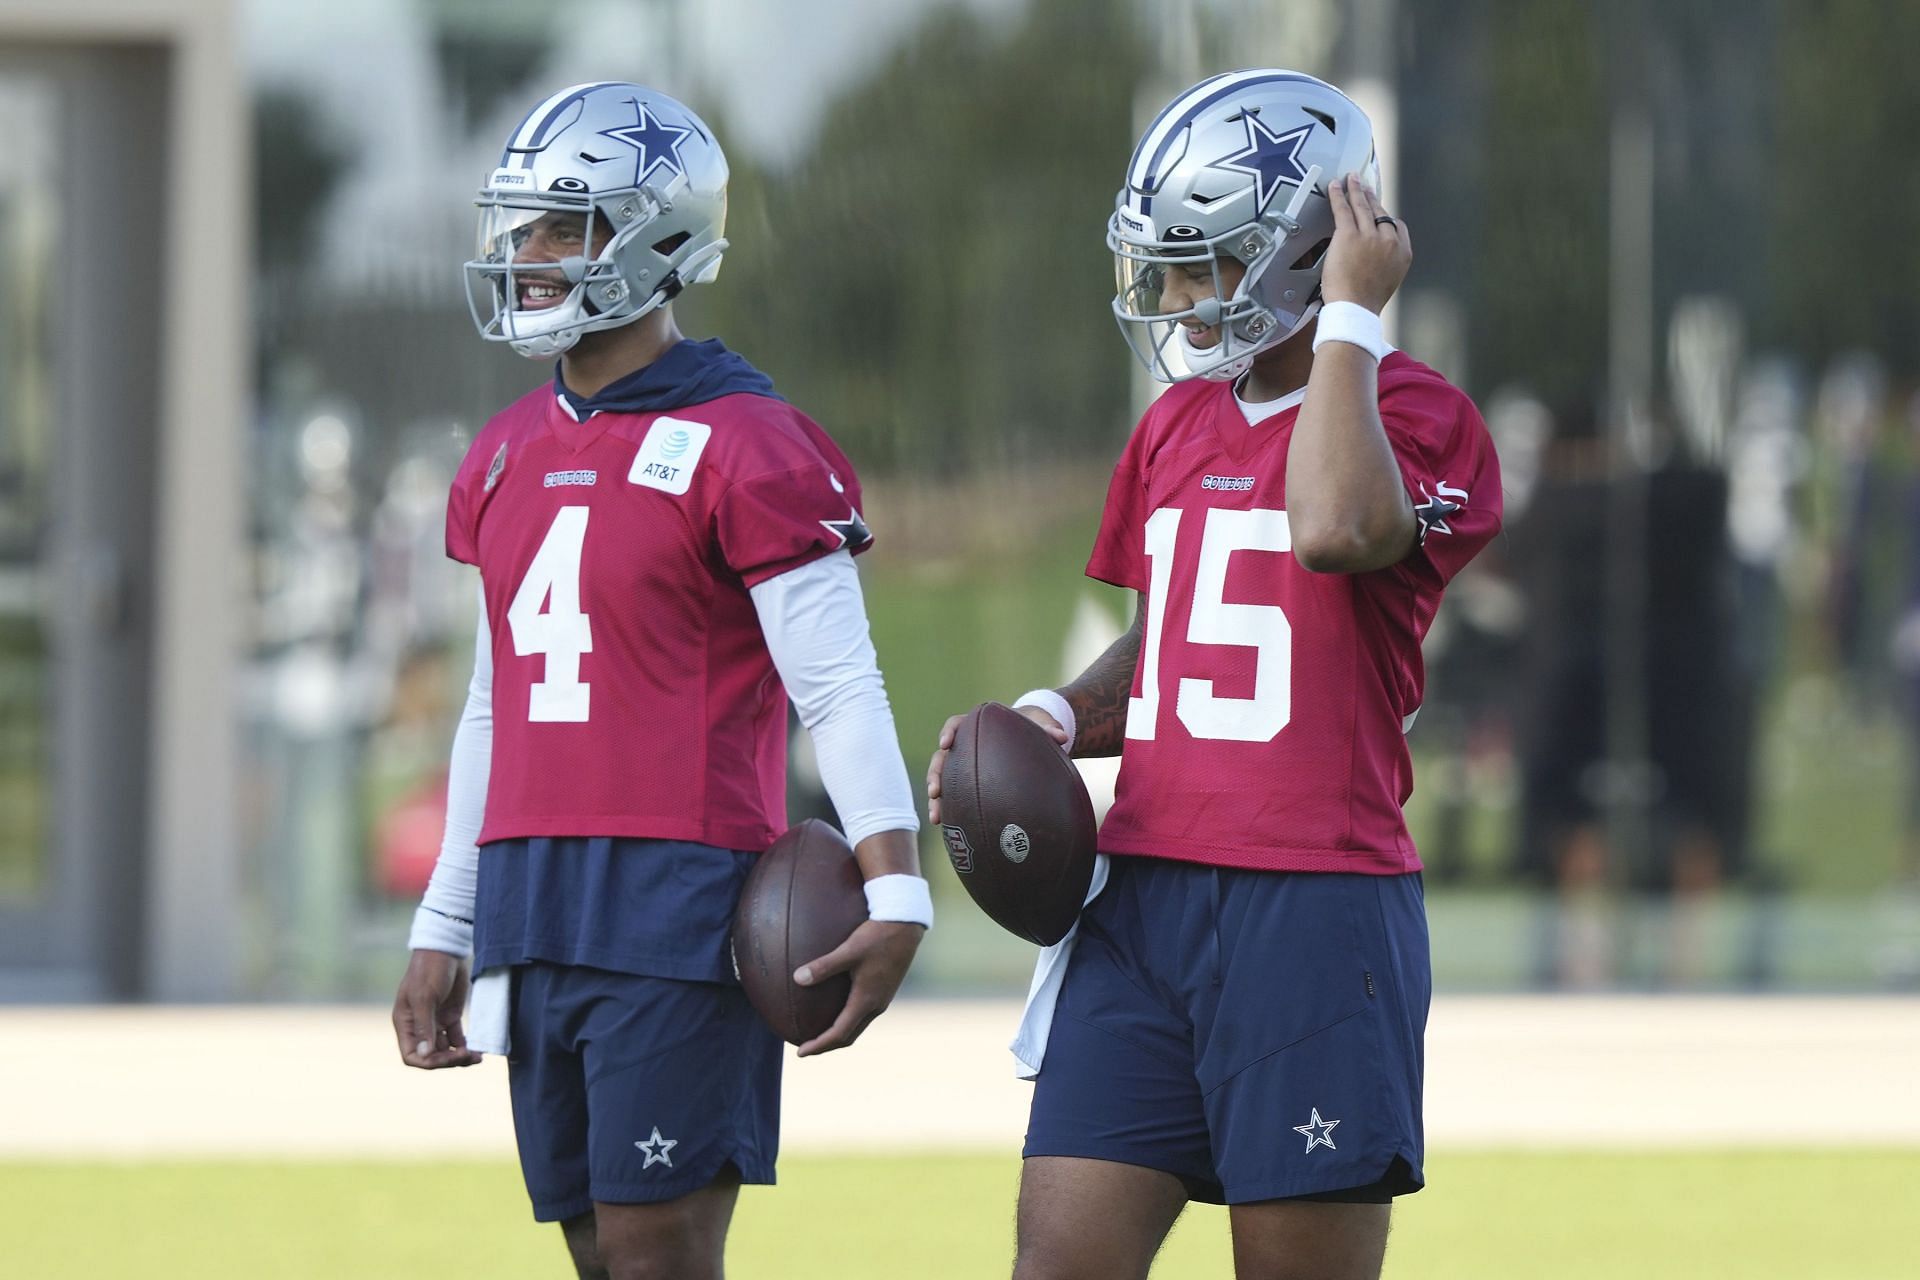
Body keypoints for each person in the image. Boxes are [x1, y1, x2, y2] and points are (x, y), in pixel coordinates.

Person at [927, 70, 1501, 1280]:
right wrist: (1049, 716)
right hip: (1143, 904)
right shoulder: (1174, 424)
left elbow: (1338, 529)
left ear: (1307, 248)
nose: (1182, 299)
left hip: (1313, 904)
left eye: (1210, 264)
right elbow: (1183, 639)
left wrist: (1349, 319)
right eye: (1171, 266)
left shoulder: (1420, 415)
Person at [391, 82, 928, 1280]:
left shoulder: (751, 441)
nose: (524, 257)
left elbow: (839, 686)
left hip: (679, 896)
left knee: (656, 1252)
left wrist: (897, 886)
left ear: (659, 239)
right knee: (594, 1248)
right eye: (518, 227)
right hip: (536, 895)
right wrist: (447, 918)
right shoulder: (505, 451)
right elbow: (495, 705)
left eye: (558, 229)